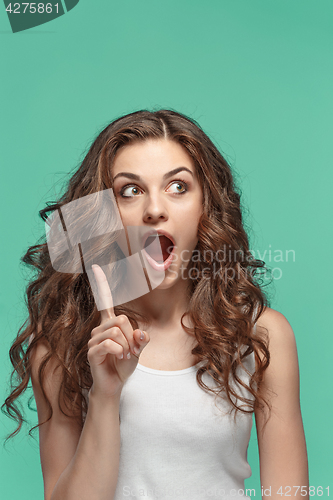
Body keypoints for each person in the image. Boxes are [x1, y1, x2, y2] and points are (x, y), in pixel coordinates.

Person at [2, 109, 309, 500]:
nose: (154, 209)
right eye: (130, 190)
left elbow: (289, 493)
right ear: (104, 218)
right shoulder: (61, 348)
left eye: (178, 187)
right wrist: (105, 395)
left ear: (205, 208)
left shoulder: (261, 335)